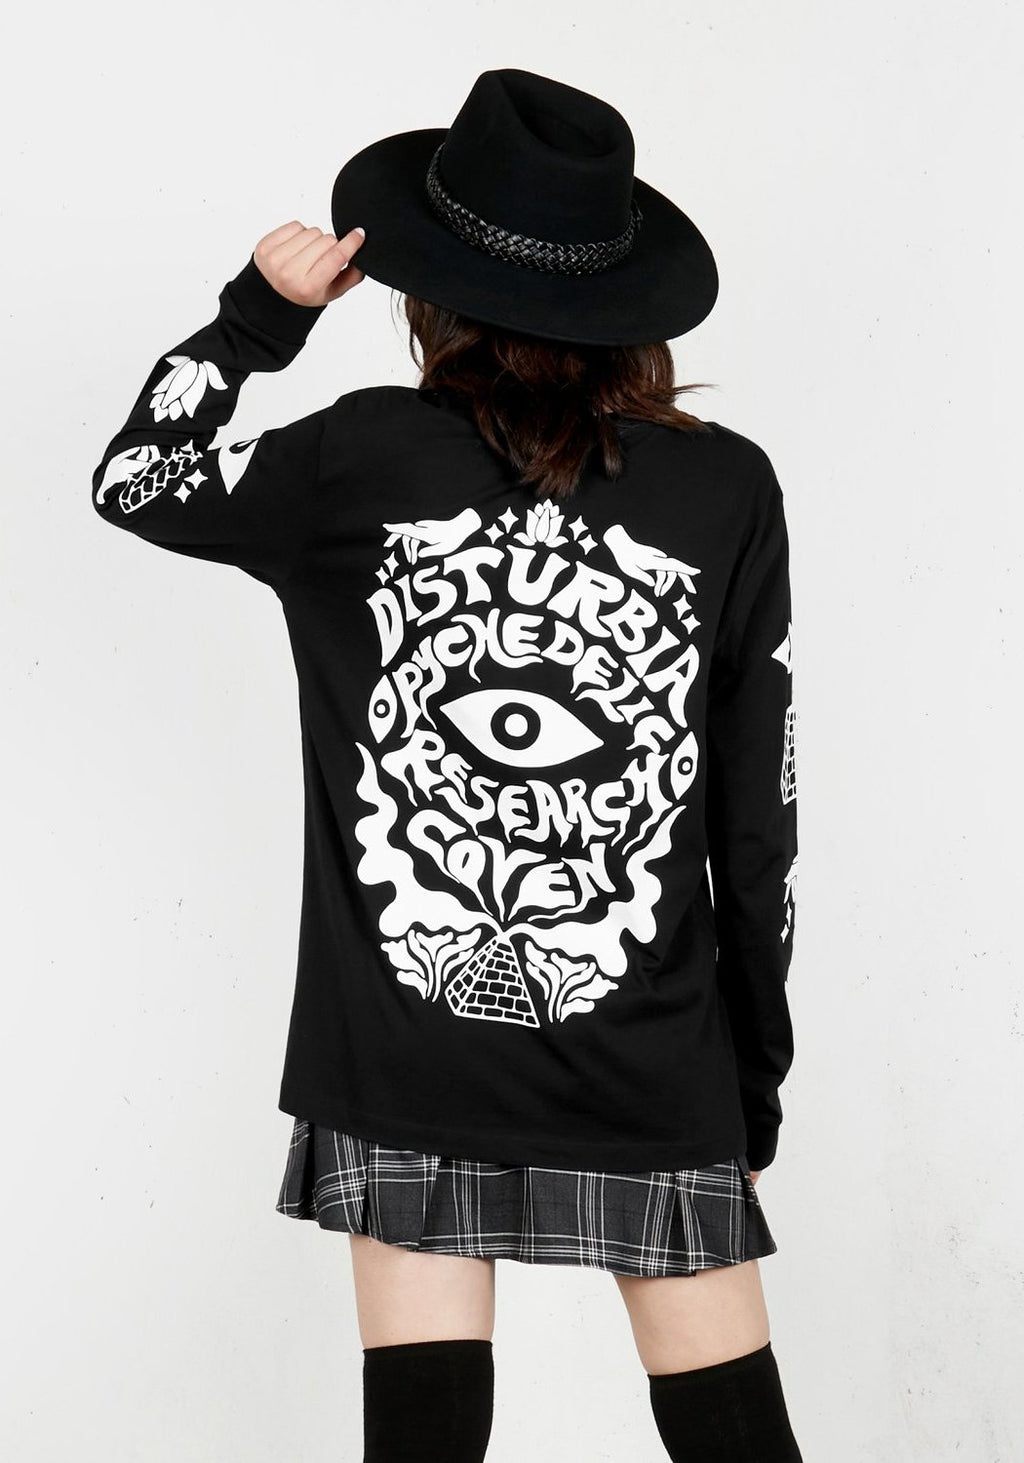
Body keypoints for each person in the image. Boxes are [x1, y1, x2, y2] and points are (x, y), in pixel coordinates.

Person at [92, 67, 802, 1463]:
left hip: (402, 1053)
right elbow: (758, 824)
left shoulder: (357, 458)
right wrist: (751, 1076)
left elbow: (138, 477)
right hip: (653, 1061)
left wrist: (258, 319)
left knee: (421, 1445)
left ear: (429, 291)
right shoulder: (726, 487)